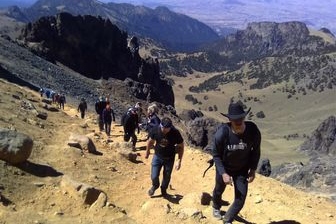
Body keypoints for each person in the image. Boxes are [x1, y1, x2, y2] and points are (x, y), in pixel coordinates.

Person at [211, 102, 261, 224]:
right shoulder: (222, 133)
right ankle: (216, 206)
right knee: (218, 189)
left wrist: (253, 169)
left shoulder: (253, 130)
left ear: (244, 117)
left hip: (242, 169)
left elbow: (256, 151)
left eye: (240, 119)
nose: (238, 122)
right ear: (229, 120)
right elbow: (216, 155)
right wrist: (223, 173)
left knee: (241, 198)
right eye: (235, 120)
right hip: (225, 167)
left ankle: (228, 219)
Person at [145, 117, 184, 197]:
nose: (164, 130)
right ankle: (155, 185)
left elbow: (181, 146)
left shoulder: (175, 133)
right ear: (160, 125)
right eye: (163, 127)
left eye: (167, 128)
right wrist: (147, 151)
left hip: (169, 158)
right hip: (157, 156)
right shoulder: (156, 129)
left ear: (170, 127)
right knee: (154, 175)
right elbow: (150, 141)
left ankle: (163, 190)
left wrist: (179, 160)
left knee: (167, 176)